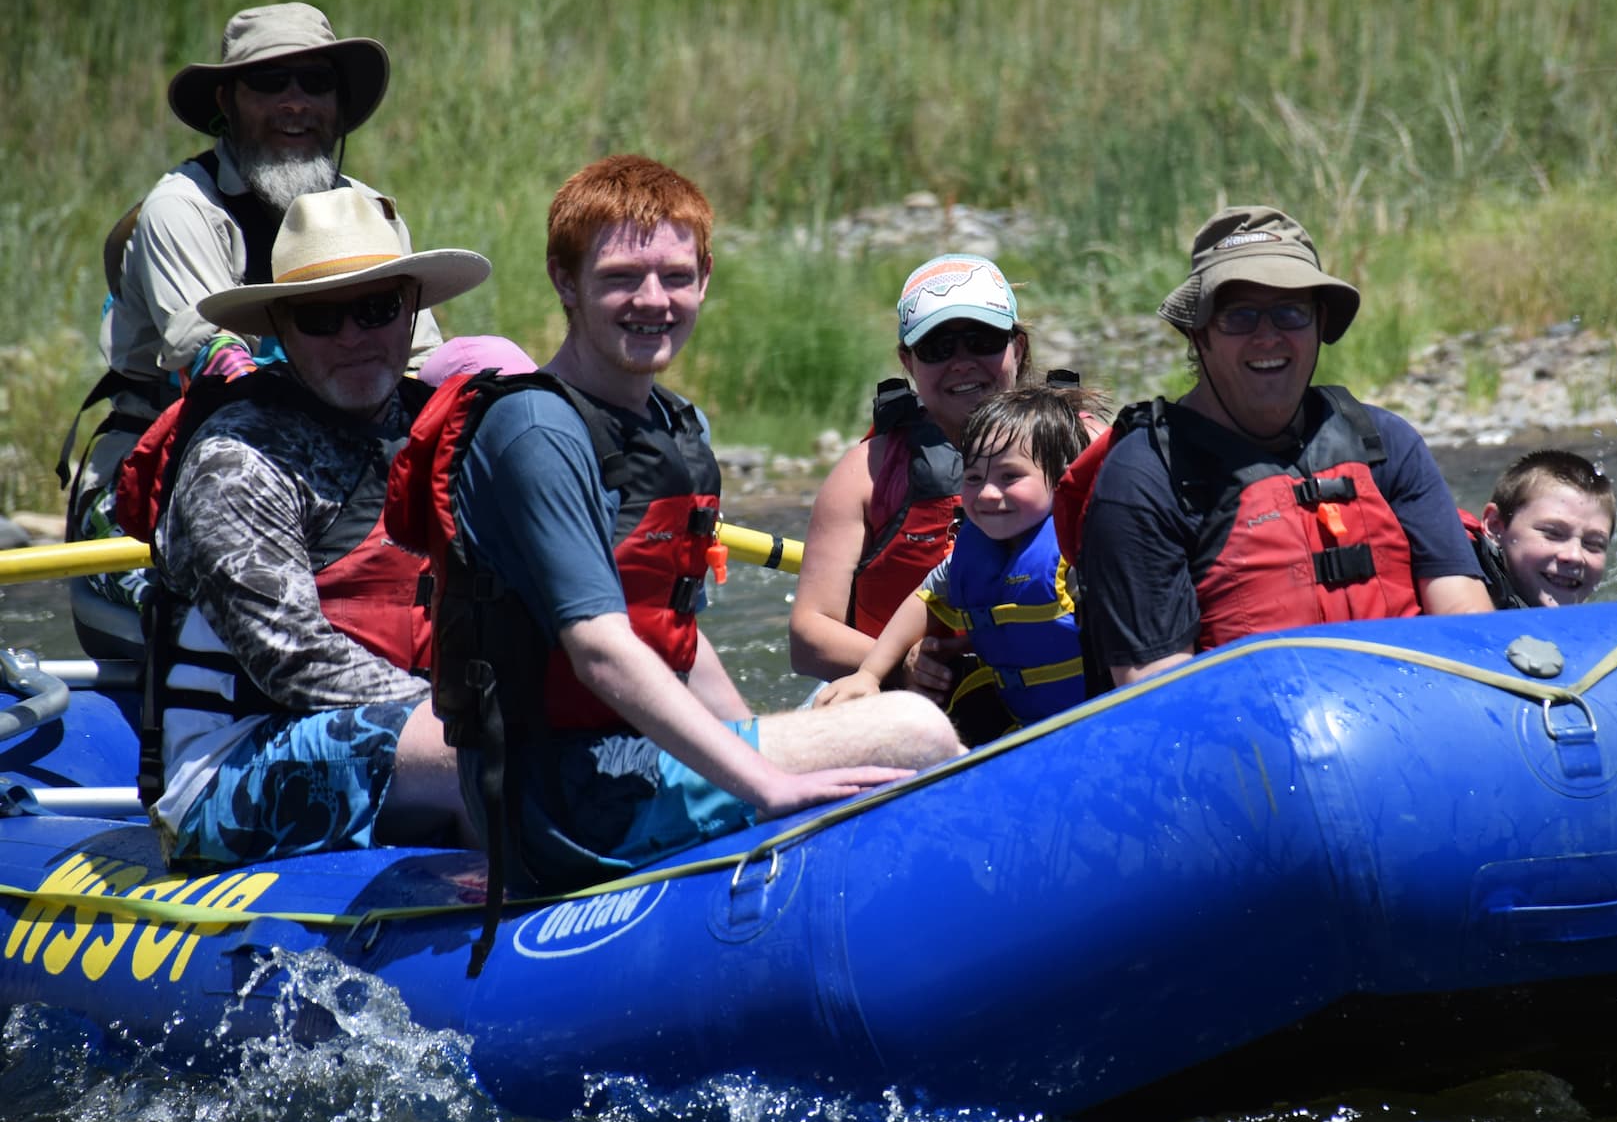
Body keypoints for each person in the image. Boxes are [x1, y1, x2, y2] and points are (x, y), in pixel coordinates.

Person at [388, 155, 965, 897]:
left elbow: (674, 637)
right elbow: (599, 651)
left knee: (837, 715)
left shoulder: (668, 427)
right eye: (622, 275)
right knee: (911, 729)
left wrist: (757, 733)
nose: (652, 299)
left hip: (627, 757)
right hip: (562, 797)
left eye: (676, 275)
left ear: (706, 277)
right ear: (565, 280)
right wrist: (763, 780)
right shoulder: (534, 428)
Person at [62, 1, 442, 656]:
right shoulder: (181, 209)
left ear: (339, 102)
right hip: (158, 490)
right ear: (226, 100)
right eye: (270, 82)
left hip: (333, 485)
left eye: (315, 82)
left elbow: (422, 367)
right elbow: (216, 372)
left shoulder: (369, 215)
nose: (296, 102)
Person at [127, 188, 486, 869]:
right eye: (320, 316)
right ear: (282, 330)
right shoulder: (234, 461)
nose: (352, 335)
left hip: (420, 731)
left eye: (376, 308)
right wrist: (479, 724)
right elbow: (294, 662)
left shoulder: (452, 432)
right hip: (233, 769)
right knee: (484, 753)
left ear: (412, 310)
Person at [1067, 205, 1493, 690]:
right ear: (1198, 333)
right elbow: (1154, 684)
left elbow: (1464, 613)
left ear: (1319, 323)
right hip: (1255, 748)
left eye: (1290, 312)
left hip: (1415, 719)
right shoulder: (1145, 477)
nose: (1267, 336)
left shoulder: (1384, 443)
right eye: (1239, 316)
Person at [789, 252, 1034, 694]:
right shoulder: (867, 473)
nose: (962, 362)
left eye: (982, 340)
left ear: (1016, 348)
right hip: (902, 699)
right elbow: (808, 636)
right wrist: (900, 661)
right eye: (938, 348)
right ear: (908, 362)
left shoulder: (1078, 442)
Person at [814, 380, 1104, 735]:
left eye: (1010, 476)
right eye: (973, 477)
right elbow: (924, 598)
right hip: (1023, 725)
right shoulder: (970, 555)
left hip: (1096, 717)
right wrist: (869, 674)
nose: (987, 493)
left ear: (1062, 477)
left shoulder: (1077, 552)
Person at [1470, 449, 1617, 609]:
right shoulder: (1458, 587)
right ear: (1495, 525)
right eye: (1553, 533)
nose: (1575, 556)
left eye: (1594, 544)